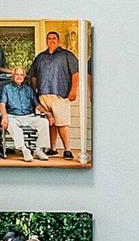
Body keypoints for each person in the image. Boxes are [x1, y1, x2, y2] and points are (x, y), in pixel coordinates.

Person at [29, 31, 80, 161]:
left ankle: (67, 149)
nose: (52, 40)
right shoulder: (40, 57)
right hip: (43, 95)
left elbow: (75, 74)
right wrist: (34, 90)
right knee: (50, 123)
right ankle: (53, 149)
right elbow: (33, 75)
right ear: (46, 41)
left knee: (62, 123)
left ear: (58, 40)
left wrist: (73, 91)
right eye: (49, 38)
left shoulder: (67, 55)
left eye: (54, 38)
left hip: (60, 94)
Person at [2, 65, 51, 161]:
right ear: (13, 76)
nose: (19, 77)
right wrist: (4, 116)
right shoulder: (6, 88)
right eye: (17, 74)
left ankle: (38, 150)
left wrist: (48, 113)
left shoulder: (29, 90)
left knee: (44, 122)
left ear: (24, 77)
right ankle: (24, 150)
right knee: (12, 125)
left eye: (21, 75)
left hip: (28, 116)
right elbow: (2, 104)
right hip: (13, 116)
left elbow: (37, 105)